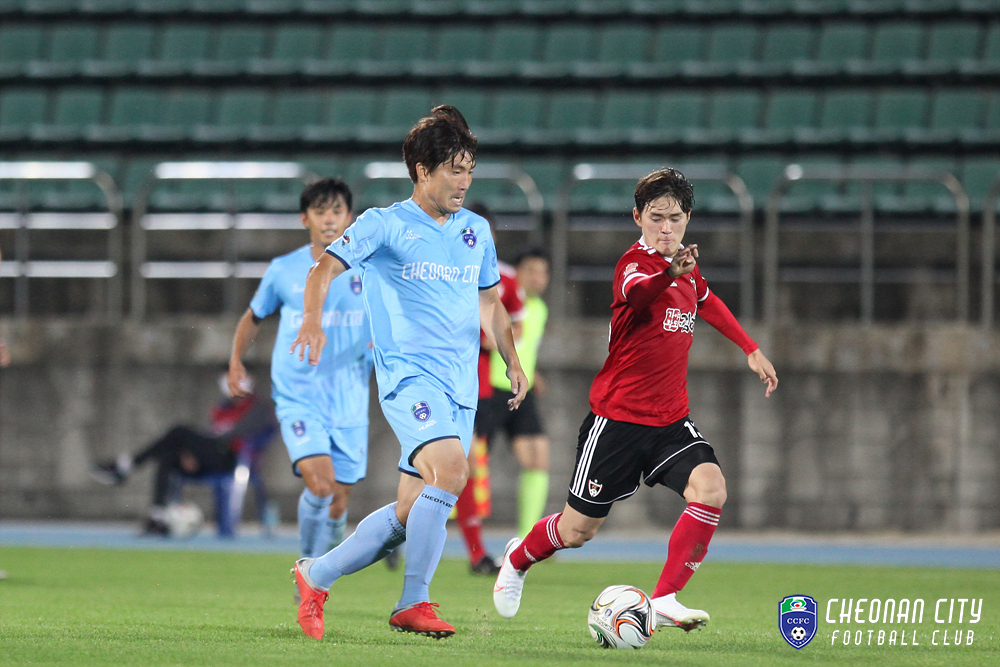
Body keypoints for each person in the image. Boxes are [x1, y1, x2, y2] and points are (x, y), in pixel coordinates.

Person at [492, 168, 778, 632]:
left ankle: (664, 598)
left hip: (670, 421)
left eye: (675, 218)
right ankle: (518, 558)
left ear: (688, 219)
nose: (666, 228)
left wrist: (750, 348)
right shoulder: (635, 265)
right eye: (656, 218)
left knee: (711, 488)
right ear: (637, 217)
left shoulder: (686, 268)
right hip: (617, 422)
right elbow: (640, 295)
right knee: (576, 531)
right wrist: (669, 272)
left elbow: (707, 300)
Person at [289, 105, 528, 640]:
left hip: (462, 386)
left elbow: (490, 303)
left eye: (469, 171)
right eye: (454, 171)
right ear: (422, 171)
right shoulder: (385, 224)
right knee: (453, 472)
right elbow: (323, 268)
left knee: (409, 510)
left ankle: (315, 575)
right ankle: (413, 601)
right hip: (409, 379)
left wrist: (511, 359)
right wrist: (312, 320)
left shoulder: (476, 230)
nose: (464, 182)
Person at [229, 178, 373, 559]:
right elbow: (254, 316)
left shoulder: (369, 269)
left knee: (338, 501)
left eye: (337, 211)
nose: (329, 220)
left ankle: (322, 568)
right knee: (321, 485)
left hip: (350, 398)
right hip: (299, 396)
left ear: (350, 217)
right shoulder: (284, 269)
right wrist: (235, 360)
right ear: (304, 218)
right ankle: (307, 571)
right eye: (320, 212)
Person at [90, 374, 277, 536]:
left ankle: (126, 465)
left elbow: (230, 435)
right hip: (210, 456)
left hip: (230, 458)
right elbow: (210, 434)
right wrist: (189, 452)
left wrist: (197, 446)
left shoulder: (258, 407)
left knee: (179, 431)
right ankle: (158, 517)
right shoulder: (222, 407)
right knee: (169, 457)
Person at [453, 202, 525, 576]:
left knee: (463, 466)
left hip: (476, 385)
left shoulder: (505, 278)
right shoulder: (441, 265)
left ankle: (476, 551)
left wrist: (493, 344)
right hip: (435, 379)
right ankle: (393, 536)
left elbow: (517, 324)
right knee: (438, 470)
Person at [481, 247, 551, 539]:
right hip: (490, 389)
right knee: (462, 466)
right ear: (516, 273)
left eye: (543, 272)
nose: (538, 278)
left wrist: (533, 375)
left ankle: (527, 539)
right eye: (531, 271)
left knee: (538, 457)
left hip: (521, 392)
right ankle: (409, 527)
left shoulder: (540, 309)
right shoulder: (501, 300)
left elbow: (524, 348)